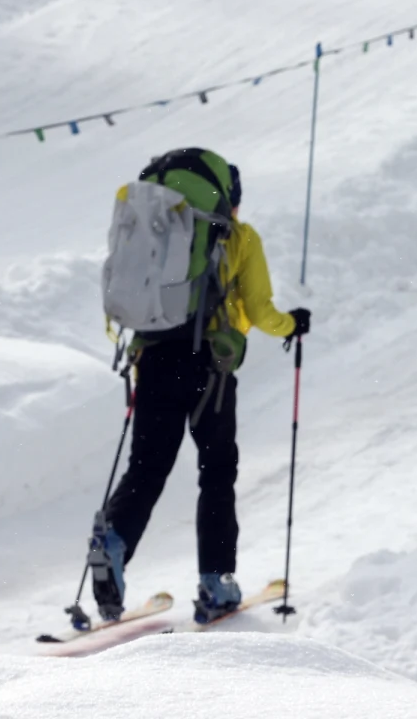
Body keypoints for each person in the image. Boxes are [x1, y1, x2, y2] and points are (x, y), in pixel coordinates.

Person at [90, 150, 310, 621]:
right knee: (216, 471)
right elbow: (260, 310)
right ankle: (216, 582)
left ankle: (115, 540)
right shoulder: (238, 236)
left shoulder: (158, 232)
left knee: (146, 468)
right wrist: (293, 324)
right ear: (229, 198)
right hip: (209, 365)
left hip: (152, 359)